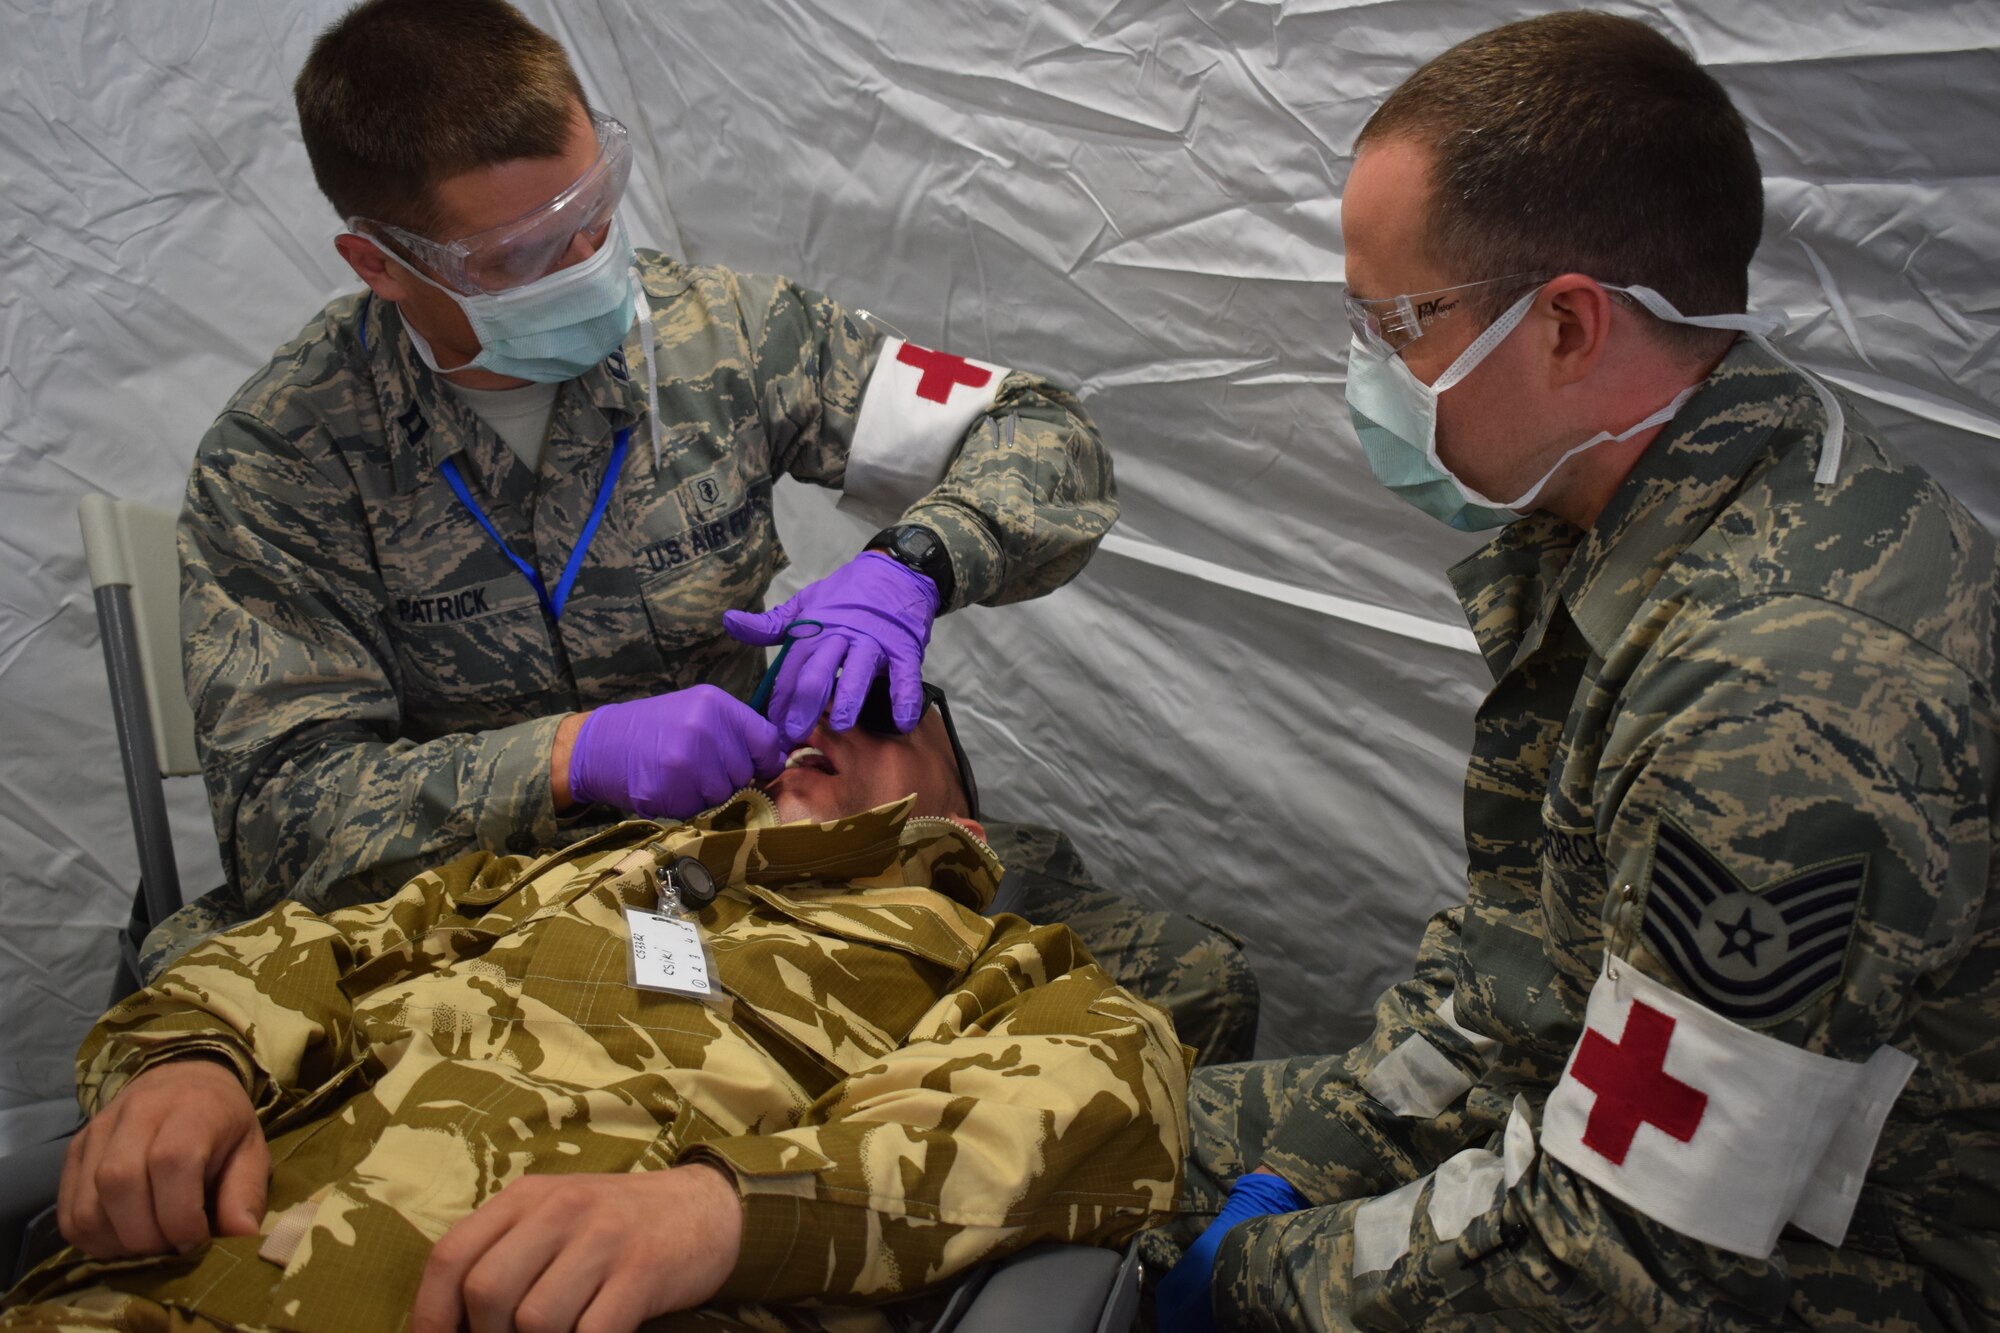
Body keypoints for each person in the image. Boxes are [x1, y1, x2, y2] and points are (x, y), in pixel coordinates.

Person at [163, 0, 1255, 1064]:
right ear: (380, 264)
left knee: (1183, 988)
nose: (587, 261)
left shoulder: (726, 339)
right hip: (484, 915)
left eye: (594, 208)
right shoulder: (284, 463)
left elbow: (1041, 429)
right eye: (518, 256)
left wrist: (913, 564)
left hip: (758, 864)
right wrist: (564, 759)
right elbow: (284, 824)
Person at [1149, 11, 2000, 1329]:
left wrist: (1261, 1282)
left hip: (1833, 1267)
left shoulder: (1780, 701)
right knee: (1126, 1146)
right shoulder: (1660, 498)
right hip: (1626, 1163)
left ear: (1564, 327)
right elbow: (1518, 975)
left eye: (1397, 323)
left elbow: (1617, 1259)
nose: (1371, 372)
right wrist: (1303, 1170)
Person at [3, 683, 1189, 1333]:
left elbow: (1100, 1103)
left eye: (876, 706)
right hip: (158, 1288)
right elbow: (309, 942)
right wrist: (190, 1064)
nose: (819, 719)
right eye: (803, 697)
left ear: (964, 820)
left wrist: (717, 1214)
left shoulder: (1006, 965)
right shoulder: (576, 868)